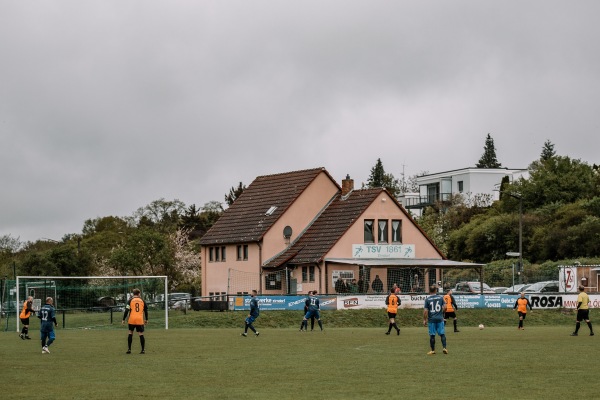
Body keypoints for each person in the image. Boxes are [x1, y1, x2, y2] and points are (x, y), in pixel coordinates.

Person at [122, 288, 148, 354]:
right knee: (140, 334)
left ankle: (129, 349)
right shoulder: (142, 300)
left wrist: (123, 319)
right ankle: (143, 350)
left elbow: (126, 310)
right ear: (139, 294)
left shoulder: (130, 300)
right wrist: (146, 319)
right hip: (139, 319)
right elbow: (146, 311)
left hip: (132, 319)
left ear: (133, 294)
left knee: (130, 333)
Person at [423, 285, 447, 355]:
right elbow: (445, 307)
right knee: (442, 334)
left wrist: (424, 319)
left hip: (431, 320)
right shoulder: (441, 298)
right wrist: (442, 313)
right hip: (440, 319)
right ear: (436, 291)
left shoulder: (427, 300)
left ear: (429, 291)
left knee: (432, 335)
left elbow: (425, 311)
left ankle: (433, 350)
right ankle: (444, 348)